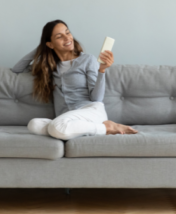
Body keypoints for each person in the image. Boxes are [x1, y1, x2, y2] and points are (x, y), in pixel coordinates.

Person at [10, 19, 138, 140]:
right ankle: (76, 130)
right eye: (59, 36)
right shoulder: (49, 66)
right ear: (50, 44)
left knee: (56, 127)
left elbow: (97, 98)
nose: (67, 38)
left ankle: (105, 128)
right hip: (68, 119)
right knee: (34, 124)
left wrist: (102, 70)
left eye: (68, 32)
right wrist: (42, 48)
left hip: (90, 111)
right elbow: (17, 69)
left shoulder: (87, 60)